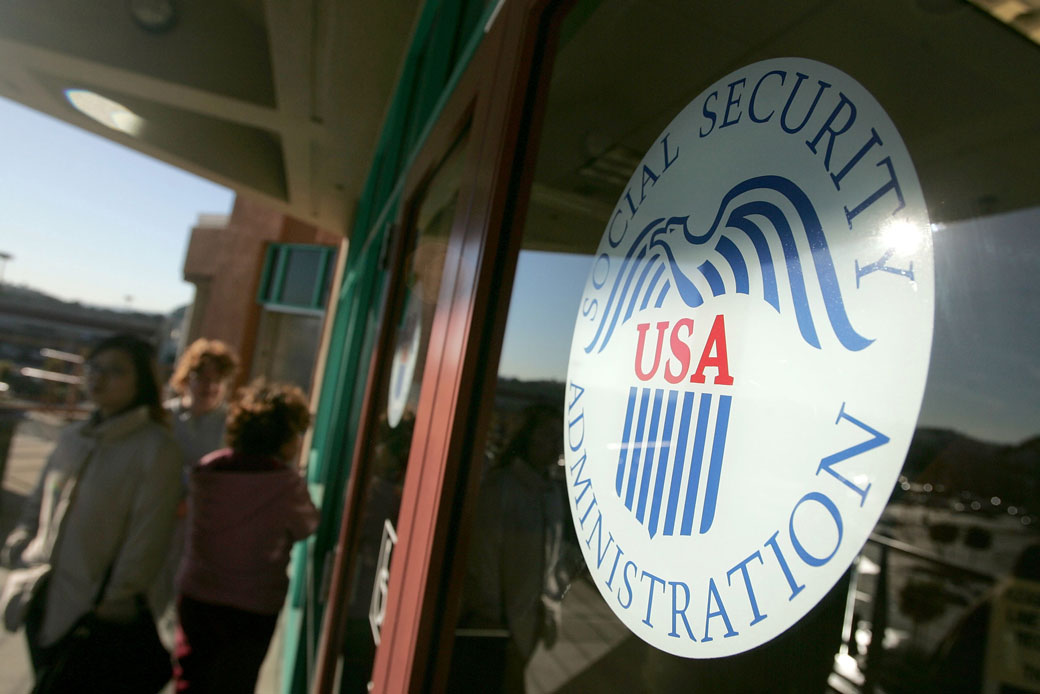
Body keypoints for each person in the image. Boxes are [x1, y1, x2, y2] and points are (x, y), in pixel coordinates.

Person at [0, 333, 181, 685]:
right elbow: (41, 498)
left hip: (96, 612)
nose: (99, 378)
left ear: (141, 381)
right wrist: (22, 543)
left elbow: (148, 535)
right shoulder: (73, 437)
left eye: (115, 371)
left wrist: (116, 598)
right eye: (94, 368)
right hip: (42, 594)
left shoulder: (155, 449)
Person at [173, 380, 319, 693]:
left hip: (199, 593)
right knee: (235, 682)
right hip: (253, 603)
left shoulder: (207, 470)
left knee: (192, 677)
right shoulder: (286, 484)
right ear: (287, 437)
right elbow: (307, 525)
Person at [151, 338, 239, 645]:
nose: (209, 386)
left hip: (200, 530)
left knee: (183, 602)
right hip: (154, 519)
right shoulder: (163, 417)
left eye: (217, 380)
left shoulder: (231, 425)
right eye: (202, 377)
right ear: (187, 378)